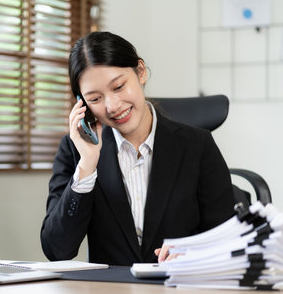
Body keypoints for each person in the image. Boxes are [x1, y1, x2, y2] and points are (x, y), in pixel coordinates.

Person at [40, 31, 235, 266]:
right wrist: (87, 167)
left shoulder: (198, 145)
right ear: (82, 105)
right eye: (95, 99)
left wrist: (193, 253)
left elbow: (228, 237)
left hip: (179, 286)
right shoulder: (75, 151)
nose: (112, 106)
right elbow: (57, 250)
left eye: (119, 86)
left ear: (140, 72)